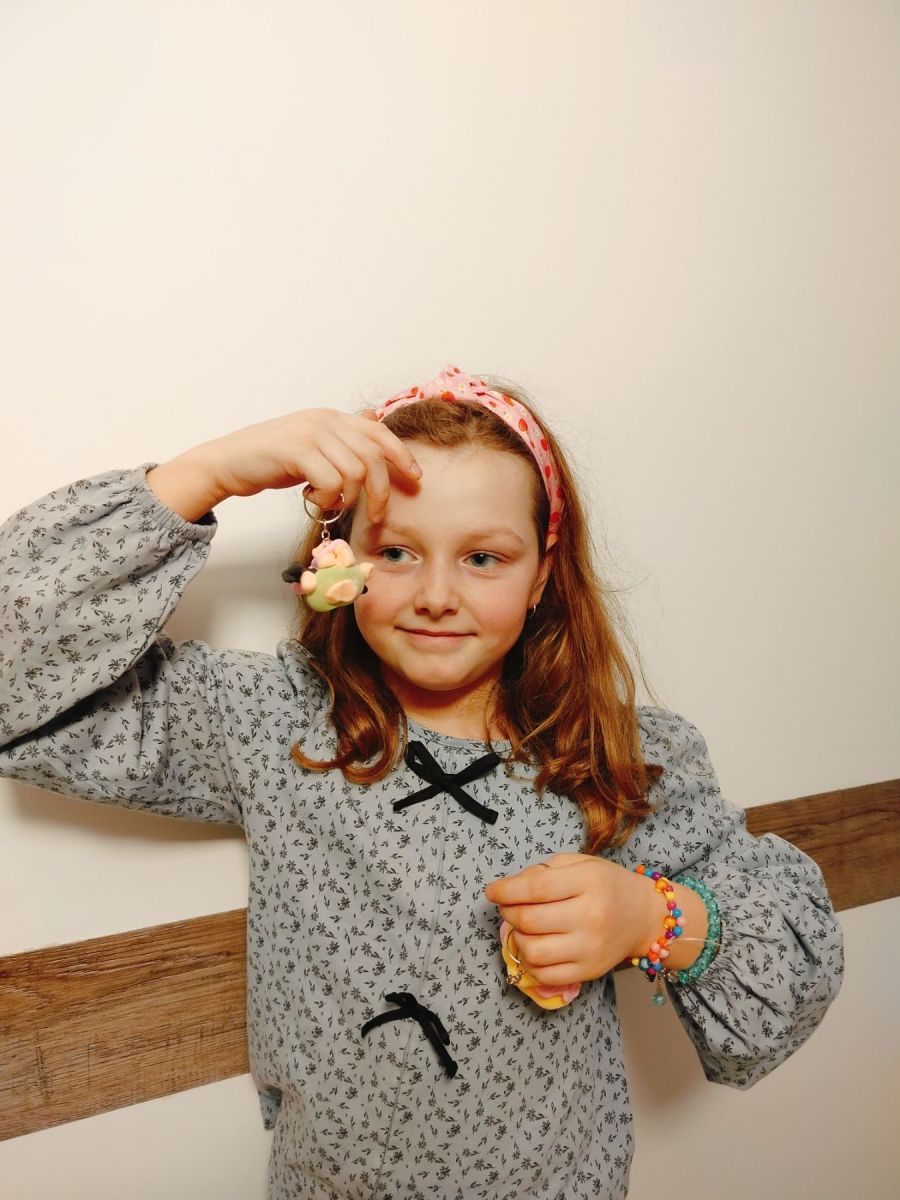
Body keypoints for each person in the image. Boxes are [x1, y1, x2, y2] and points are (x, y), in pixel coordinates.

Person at [0, 365, 844, 1200]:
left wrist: (652, 918)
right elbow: (16, 688)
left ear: (542, 574)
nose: (437, 595)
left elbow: (792, 970)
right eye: (396, 551)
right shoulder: (271, 722)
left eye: (483, 557)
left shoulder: (618, 754)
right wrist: (207, 473)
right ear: (338, 560)